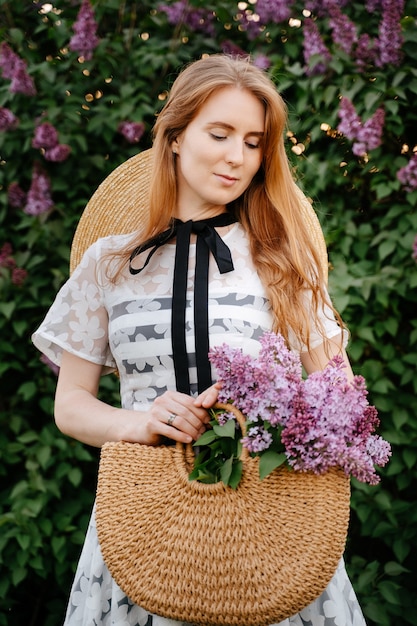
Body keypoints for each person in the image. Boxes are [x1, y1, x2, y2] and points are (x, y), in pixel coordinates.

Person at [32, 54, 366, 626]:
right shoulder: (108, 263)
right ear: (177, 136)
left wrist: (270, 418)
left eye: (254, 142)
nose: (238, 157)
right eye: (219, 133)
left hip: (269, 535)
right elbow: (71, 407)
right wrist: (138, 422)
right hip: (139, 527)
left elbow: (340, 403)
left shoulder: (284, 261)